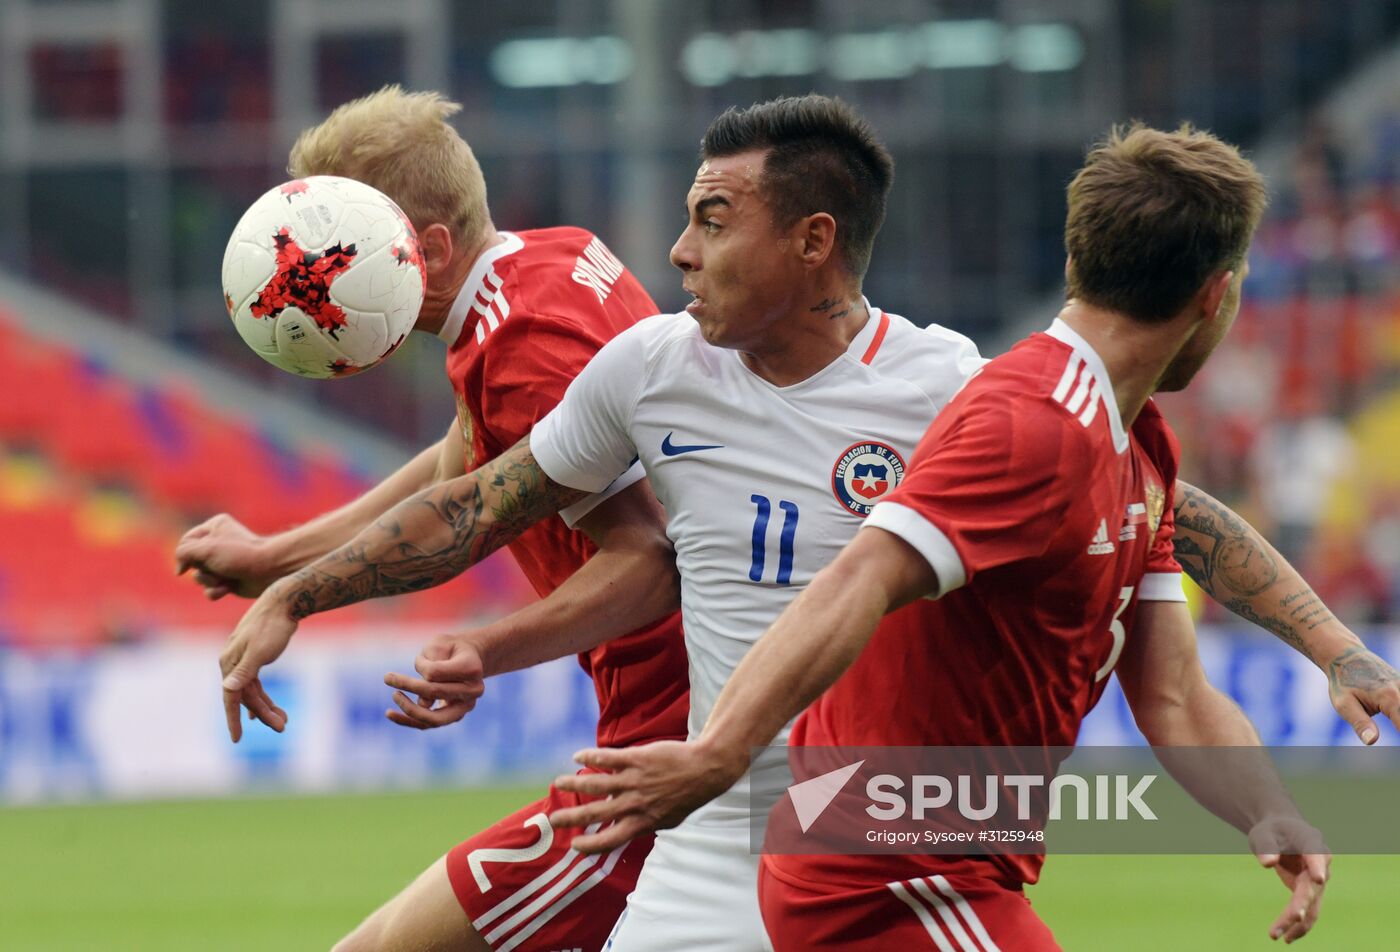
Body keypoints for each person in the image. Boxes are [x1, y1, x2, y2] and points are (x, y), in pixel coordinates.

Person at [217, 97, 1400, 949]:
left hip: (861, 816)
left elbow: (1156, 519)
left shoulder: (957, 390)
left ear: (812, 241)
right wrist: (293, 587)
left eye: (712, 220)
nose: (676, 251)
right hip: (716, 824)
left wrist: (1328, 654)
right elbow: (476, 498)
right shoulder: (647, 369)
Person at [541, 123, 1336, 949]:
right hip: (883, 869)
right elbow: (858, 577)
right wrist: (718, 754)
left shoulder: (1137, 446)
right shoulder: (1032, 420)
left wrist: (1266, 807)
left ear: (1076, 264)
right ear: (1218, 293)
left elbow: (1173, 693)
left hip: (931, 858)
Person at [174, 85, 693, 952]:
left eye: (337, 259)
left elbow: (646, 558)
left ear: (433, 249)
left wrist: (483, 648)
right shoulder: (542, 270)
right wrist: (277, 560)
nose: (314, 285)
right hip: (667, 733)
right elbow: (458, 474)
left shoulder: (522, 340)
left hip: (672, 753)